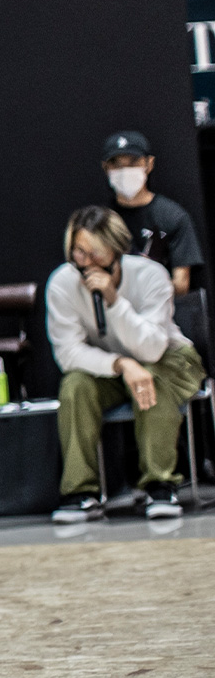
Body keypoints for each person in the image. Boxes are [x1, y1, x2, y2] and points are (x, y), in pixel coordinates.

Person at [47, 207, 204, 523]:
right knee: (75, 385)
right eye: (79, 251)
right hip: (111, 366)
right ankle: (81, 492)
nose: (87, 261)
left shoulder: (150, 275)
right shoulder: (62, 283)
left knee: (153, 378)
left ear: (117, 248)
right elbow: (68, 353)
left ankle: (160, 485)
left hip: (171, 359)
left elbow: (153, 346)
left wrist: (113, 301)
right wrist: (121, 364)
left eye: (96, 253)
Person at [99, 130, 202, 296]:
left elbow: (181, 284)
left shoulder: (172, 216)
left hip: (161, 311)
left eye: (133, 162)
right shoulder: (100, 221)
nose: (125, 170)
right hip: (113, 308)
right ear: (105, 168)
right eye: (116, 164)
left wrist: (150, 280)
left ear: (149, 164)